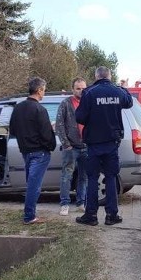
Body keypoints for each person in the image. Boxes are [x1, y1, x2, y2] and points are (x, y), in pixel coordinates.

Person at [74, 66, 133, 226]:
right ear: (109, 76)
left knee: (92, 178)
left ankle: (91, 216)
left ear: (96, 76)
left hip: (94, 143)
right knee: (111, 177)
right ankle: (111, 216)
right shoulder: (118, 91)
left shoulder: (89, 93)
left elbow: (79, 117)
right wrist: (125, 88)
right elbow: (129, 103)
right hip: (112, 143)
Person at [10, 77, 56, 224]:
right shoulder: (39, 109)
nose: (44, 94)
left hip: (25, 151)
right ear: (39, 90)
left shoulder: (18, 107)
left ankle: (30, 213)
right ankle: (29, 216)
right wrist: (50, 145)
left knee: (31, 183)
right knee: (34, 186)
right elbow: (46, 134)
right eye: (44, 90)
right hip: (40, 152)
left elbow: (13, 129)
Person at [55, 77, 88, 216]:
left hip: (86, 146)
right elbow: (59, 124)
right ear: (73, 89)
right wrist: (66, 144)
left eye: (83, 88)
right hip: (71, 147)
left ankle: (81, 202)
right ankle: (64, 204)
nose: (81, 91)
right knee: (66, 176)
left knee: (84, 177)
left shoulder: (88, 102)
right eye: (78, 88)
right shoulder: (66, 104)